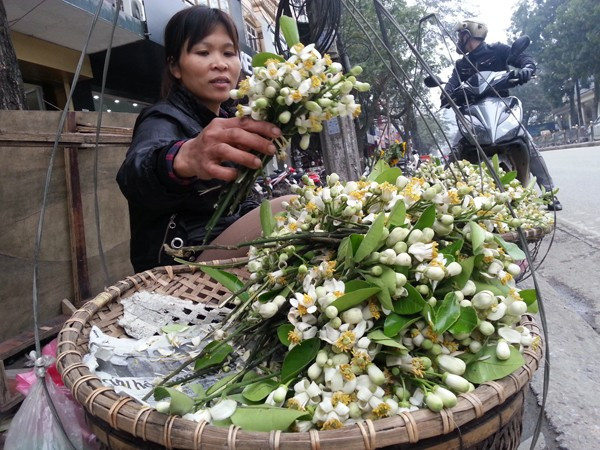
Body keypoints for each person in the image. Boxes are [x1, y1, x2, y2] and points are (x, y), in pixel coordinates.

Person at [117, 6, 289, 272]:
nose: (220, 63)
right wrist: (182, 160)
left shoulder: (230, 122)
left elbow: (237, 201)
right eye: (203, 52)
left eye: (228, 53)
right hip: (182, 261)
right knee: (288, 207)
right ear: (175, 66)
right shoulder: (162, 118)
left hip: (223, 246)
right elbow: (135, 173)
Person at [442, 19, 562, 211]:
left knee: (527, 141)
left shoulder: (497, 50)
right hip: (473, 114)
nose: (459, 39)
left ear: (468, 35)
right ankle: (444, 198)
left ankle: (549, 193)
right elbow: (450, 86)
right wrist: (445, 95)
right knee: (455, 149)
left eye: (461, 35)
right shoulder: (461, 65)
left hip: (502, 106)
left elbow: (523, 59)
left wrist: (527, 69)